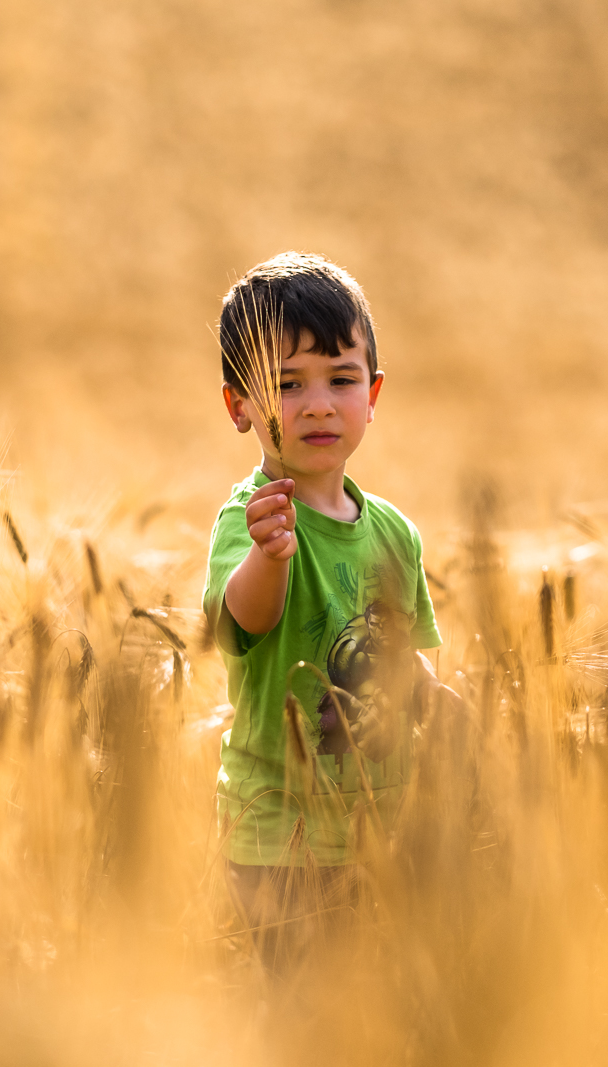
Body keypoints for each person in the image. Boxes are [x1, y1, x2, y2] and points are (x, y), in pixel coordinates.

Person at [201, 251, 448, 973]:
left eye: (340, 380)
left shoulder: (394, 534)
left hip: (381, 829)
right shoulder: (250, 523)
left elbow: (400, 663)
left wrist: (443, 705)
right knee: (307, 1016)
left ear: (372, 395)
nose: (317, 404)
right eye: (286, 384)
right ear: (239, 406)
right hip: (278, 837)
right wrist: (267, 557)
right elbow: (242, 623)